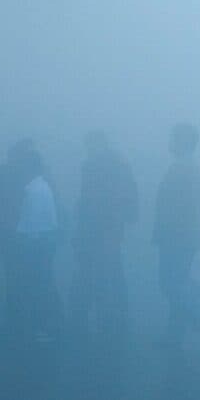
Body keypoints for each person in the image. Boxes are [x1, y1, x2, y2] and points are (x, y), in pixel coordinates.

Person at [70, 131, 139, 340]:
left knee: (96, 272)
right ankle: (115, 317)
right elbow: (128, 197)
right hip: (109, 228)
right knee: (112, 271)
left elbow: (88, 200)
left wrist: (81, 226)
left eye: (89, 144)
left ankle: (96, 317)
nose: (88, 148)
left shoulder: (94, 165)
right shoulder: (120, 164)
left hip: (98, 227)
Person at [152, 123, 200, 348]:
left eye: (173, 138)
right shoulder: (185, 167)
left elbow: (178, 208)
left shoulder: (184, 169)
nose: (170, 142)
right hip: (182, 235)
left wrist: (165, 232)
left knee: (170, 284)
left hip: (177, 236)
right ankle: (174, 335)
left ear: (182, 142)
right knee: (176, 283)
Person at [4, 141, 63, 344]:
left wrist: (19, 239)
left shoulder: (33, 190)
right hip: (44, 241)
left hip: (37, 243)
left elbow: (31, 223)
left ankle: (47, 326)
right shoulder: (42, 185)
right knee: (44, 284)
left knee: (40, 286)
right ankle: (48, 325)